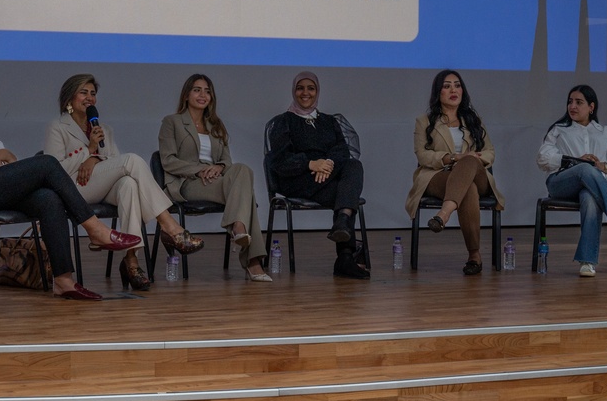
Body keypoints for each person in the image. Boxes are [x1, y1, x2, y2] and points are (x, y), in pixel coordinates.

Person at [0, 59, 141, 301]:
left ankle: (63, 281)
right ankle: (95, 229)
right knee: (47, 163)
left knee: (48, 198)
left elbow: (4, 151)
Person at [45, 74, 204, 290]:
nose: (89, 98)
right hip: (74, 189)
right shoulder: (58, 126)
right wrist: (88, 150)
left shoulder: (103, 129)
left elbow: (116, 164)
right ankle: (169, 225)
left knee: (129, 183)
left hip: (100, 185)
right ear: (69, 99)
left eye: (93, 93)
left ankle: (131, 260)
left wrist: (93, 159)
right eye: (84, 92)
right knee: (132, 160)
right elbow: (55, 170)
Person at [159, 74, 270, 281]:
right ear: (186, 95)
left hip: (216, 179)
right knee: (247, 196)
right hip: (189, 182)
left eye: (207, 91)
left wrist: (218, 166)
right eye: (197, 90)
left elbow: (227, 160)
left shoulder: (216, 125)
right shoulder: (172, 122)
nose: (203, 95)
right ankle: (252, 260)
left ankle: (239, 227)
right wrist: (199, 170)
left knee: (243, 170)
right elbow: (167, 161)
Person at [537, 85, 607, 277]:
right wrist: (574, 161)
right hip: (562, 184)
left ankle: (587, 262)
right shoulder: (559, 130)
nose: (572, 106)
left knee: (590, 196)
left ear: (591, 107)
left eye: (578, 102)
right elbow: (543, 159)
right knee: (583, 167)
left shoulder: (606, 133)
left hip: (593, 187)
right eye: (570, 102)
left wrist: (603, 167)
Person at [266, 71, 368, 279]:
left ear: (317, 91)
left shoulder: (329, 121)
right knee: (348, 197)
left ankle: (342, 226)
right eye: (300, 88)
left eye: (310, 88)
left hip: (327, 178)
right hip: (298, 180)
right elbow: (279, 161)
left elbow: (342, 151)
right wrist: (312, 164)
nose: (305, 93)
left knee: (353, 168)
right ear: (293, 91)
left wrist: (328, 164)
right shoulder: (283, 122)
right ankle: (345, 254)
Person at [404, 70, 504, 276]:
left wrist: (470, 158)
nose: (453, 90)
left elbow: (490, 152)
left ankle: (444, 213)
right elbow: (422, 155)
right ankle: (474, 255)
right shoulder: (424, 121)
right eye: (447, 86)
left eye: (457, 85)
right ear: (438, 92)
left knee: (468, 162)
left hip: (476, 172)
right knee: (468, 190)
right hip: (438, 175)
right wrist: (451, 158)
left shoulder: (474, 119)